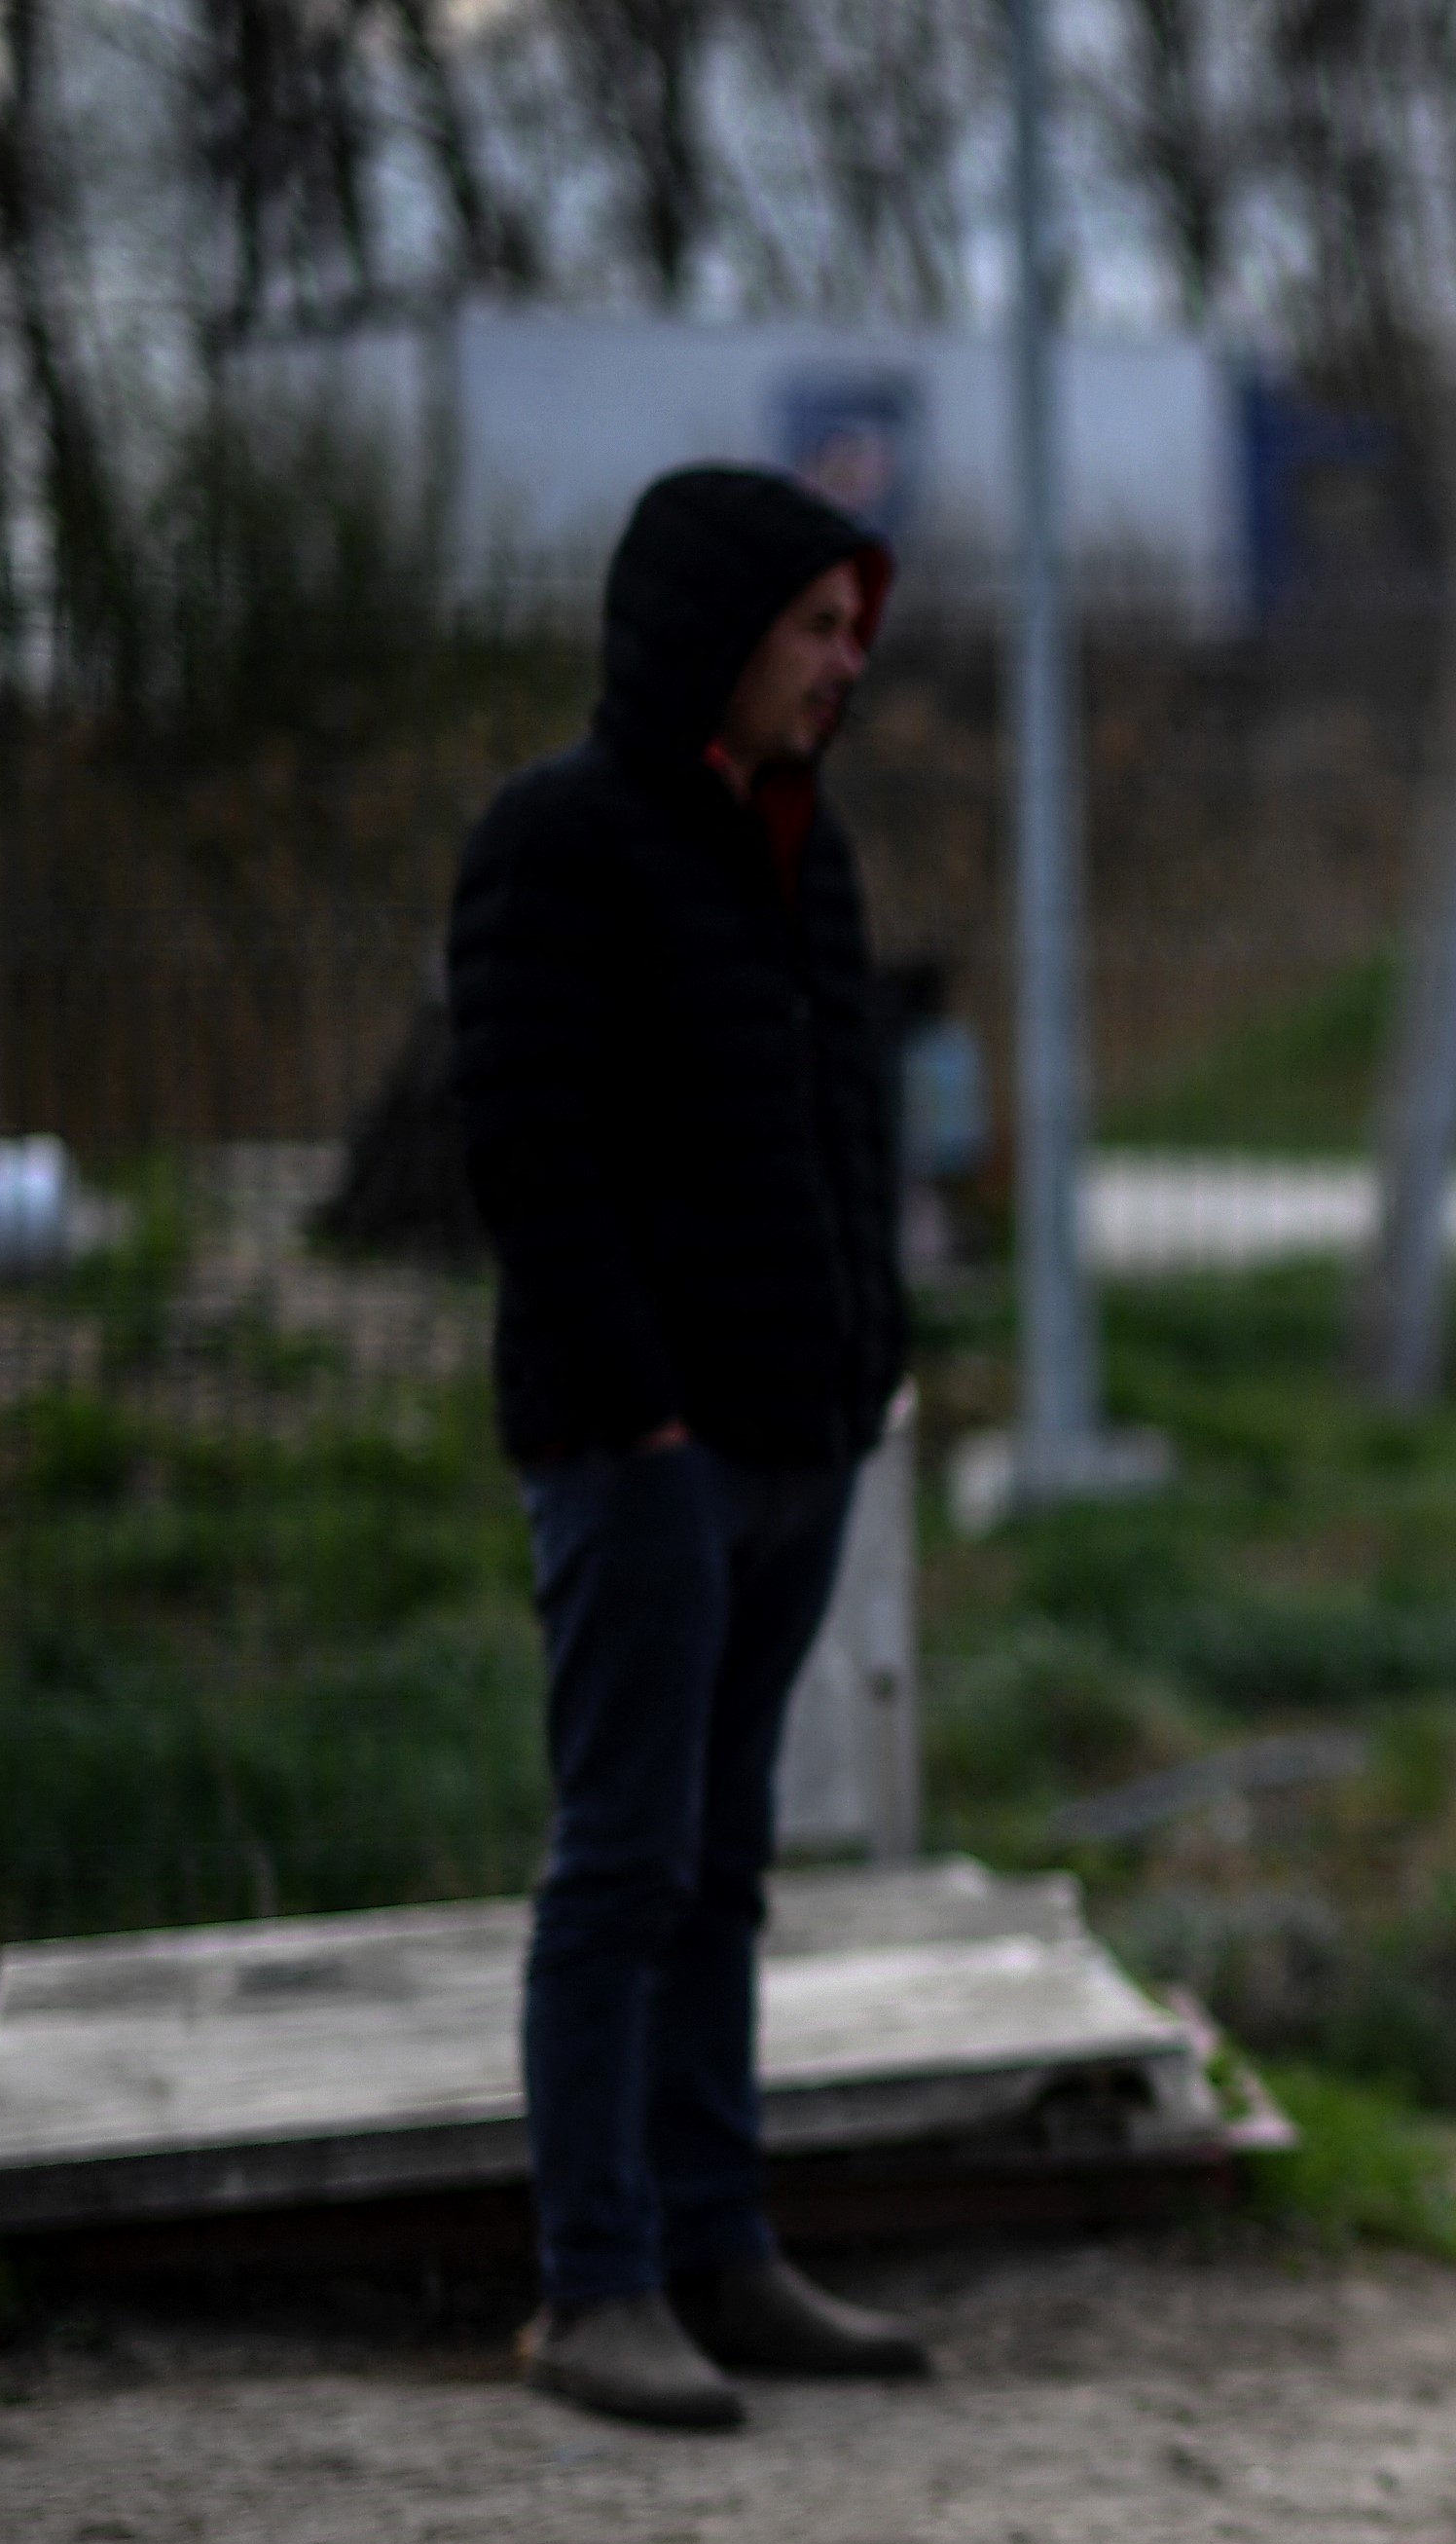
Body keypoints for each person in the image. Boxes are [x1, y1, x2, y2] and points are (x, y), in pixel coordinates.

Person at [451, 464, 933, 2430]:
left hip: (803, 1443)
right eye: (814, 629)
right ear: (711, 638)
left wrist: (867, 1362)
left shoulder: (808, 850)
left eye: (853, 631)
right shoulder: (557, 843)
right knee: (626, 1862)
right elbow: (531, 1158)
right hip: (642, 1454)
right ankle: (596, 2285)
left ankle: (723, 2247)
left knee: (726, 1859)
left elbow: (851, 1130)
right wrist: (641, 1413)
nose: (843, 668)